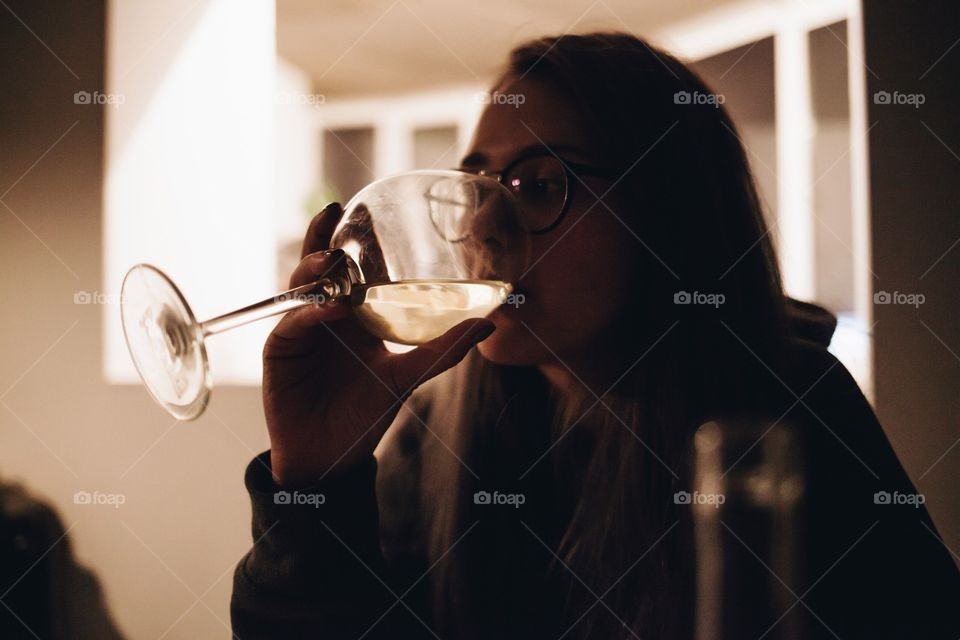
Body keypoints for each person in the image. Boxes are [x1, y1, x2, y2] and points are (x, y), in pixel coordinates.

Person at [231, 32, 960, 638]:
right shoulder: (441, 433)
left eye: (540, 185)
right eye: (475, 184)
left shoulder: (786, 419)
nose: (483, 225)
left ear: (665, 212)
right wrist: (314, 490)